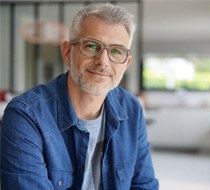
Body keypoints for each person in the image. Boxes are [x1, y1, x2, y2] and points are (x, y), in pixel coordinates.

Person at [1, 3, 159, 190]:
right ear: (67, 52)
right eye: (92, 46)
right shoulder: (25, 116)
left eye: (116, 51)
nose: (103, 62)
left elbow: (144, 185)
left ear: (126, 63)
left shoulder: (131, 109)